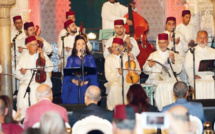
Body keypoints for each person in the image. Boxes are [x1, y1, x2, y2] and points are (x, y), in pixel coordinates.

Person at [15, 36, 53, 120]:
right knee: (21, 89)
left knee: (34, 88)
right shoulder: (23, 57)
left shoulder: (42, 54)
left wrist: (43, 57)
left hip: (41, 81)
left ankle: (36, 117)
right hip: (27, 81)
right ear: (28, 46)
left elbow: (50, 68)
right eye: (33, 45)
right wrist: (22, 72)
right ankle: (22, 117)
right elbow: (17, 73)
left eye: (36, 44)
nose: (36, 46)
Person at [143, 33, 182, 110]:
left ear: (167, 43)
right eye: (160, 43)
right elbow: (145, 70)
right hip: (156, 80)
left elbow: (178, 70)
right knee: (162, 86)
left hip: (170, 79)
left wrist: (173, 61)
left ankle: (173, 110)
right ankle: (161, 109)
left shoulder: (173, 54)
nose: (162, 45)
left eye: (164, 42)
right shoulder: (153, 55)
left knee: (172, 86)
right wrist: (149, 65)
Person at [105, 37, 141, 110]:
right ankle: (116, 110)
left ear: (121, 47)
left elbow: (138, 71)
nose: (113, 48)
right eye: (112, 46)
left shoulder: (128, 56)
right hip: (115, 81)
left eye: (116, 46)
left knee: (131, 87)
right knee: (115, 87)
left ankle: (131, 110)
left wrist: (133, 59)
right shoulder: (108, 59)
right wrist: (118, 73)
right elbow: (107, 76)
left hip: (128, 80)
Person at [61, 35, 98, 104]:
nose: (81, 46)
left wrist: (86, 82)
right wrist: (74, 81)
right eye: (79, 44)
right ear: (75, 46)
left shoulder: (90, 58)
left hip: (87, 82)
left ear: (85, 45)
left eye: (83, 44)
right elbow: (67, 74)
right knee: (73, 88)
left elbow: (93, 74)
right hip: (74, 82)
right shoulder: (71, 58)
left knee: (87, 89)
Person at [156, 17, 188, 83]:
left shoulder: (180, 35)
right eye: (169, 24)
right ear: (166, 25)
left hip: (181, 61)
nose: (171, 26)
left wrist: (179, 43)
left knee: (183, 82)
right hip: (169, 63)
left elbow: (186, 48)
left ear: (175, 25)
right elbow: (159, 49)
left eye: (173, 24)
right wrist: (170, 43)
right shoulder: (161, 36)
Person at [185, 30, 215, 99]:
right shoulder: (191, 51)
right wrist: (193, 75)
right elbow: (188, 67)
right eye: (200, 37)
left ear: (207, 39)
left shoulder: (213, 51)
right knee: (198, 85)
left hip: (211, 77)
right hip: (197, 77)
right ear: (197, 39)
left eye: (204, 37)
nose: (202, 40)